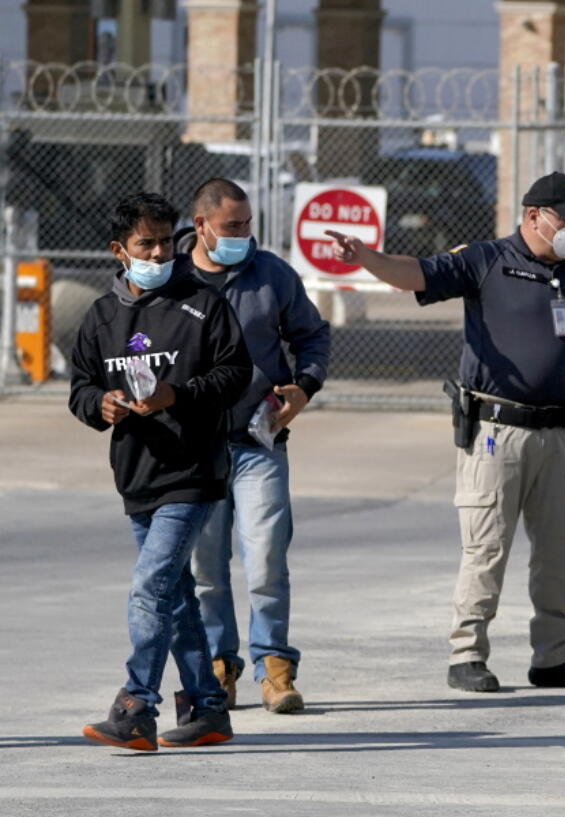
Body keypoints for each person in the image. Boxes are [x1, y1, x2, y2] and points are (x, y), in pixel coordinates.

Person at [327, 171, 565, 693]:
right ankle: (467, 653)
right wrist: (366, 257)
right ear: (533, 217)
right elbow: (415, 274)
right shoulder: (485, 261)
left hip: (560, 433)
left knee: (559, 550)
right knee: (486, 547)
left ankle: (554, 656)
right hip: (496, 431)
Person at [70, 192, 252, 750]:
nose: (157, 252)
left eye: (164, 241)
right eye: (144, 243)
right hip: (137, 475)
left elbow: (236, 373)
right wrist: (99, 406)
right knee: (174, 596)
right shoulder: (101, 318)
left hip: (192, 473)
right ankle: (207, 707)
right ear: (119, 251)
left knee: (149, 587)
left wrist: (179, 394)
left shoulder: (202, 304)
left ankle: (136, 705)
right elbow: (79, 387)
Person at [182, 178, 331, 714]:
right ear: (201, 226)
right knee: (205, 570)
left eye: (248, 224)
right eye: (232, 227)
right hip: (193, 449)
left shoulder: (271, 274)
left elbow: (313, 335)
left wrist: (304, 387)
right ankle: (220, 668)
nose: (244, 235)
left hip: (258, 441)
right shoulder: (172, 279)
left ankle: (275, 669)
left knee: (266, 558)